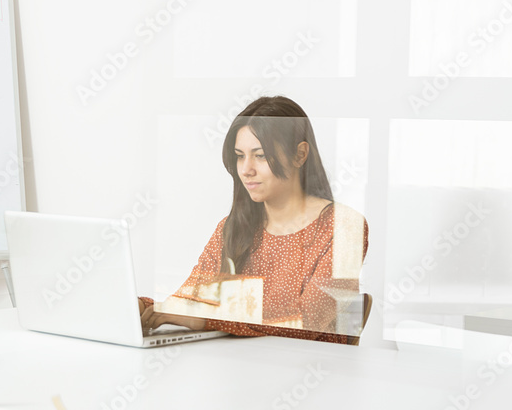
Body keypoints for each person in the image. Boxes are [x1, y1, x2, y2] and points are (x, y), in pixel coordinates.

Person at [140, 96, 368, 344]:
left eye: (259, 155)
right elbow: (189, 301)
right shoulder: (232, 227)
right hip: (240, 368)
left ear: (300, 155)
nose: (246, 169)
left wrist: (203, 318)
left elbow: (307, 322)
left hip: (312, 371)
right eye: (240, 156)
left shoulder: (344, 227)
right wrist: (146, 307)